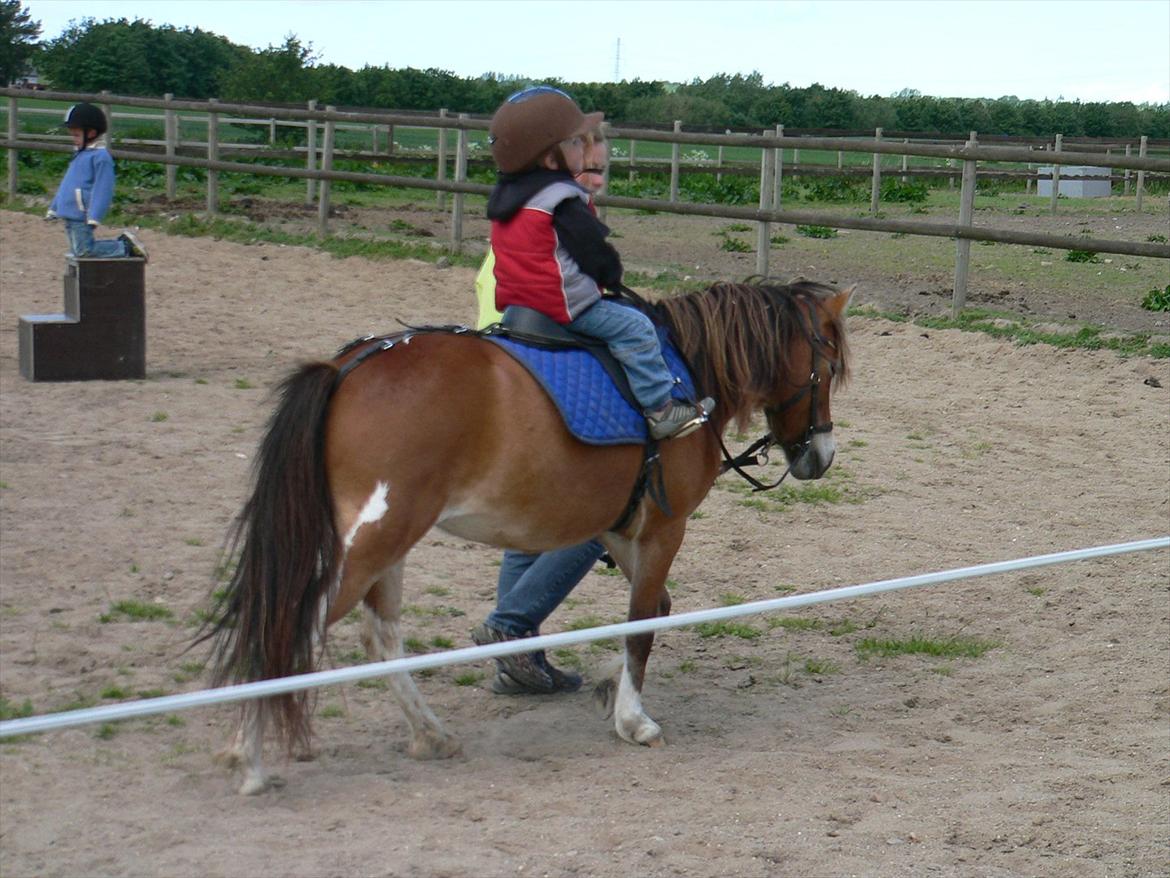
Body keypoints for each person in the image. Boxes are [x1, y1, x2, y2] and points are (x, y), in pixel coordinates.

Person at [470, 123, 616, 696]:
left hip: (520, 372)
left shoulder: (526, 230)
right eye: (587, 170)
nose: (596, 181)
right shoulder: (554, 230)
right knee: (600, 515)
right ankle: (512, 629)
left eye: (602, 170)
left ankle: (516, 656)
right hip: (541, 381)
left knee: (525, 533)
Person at [483, 85, 713, 441]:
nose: (584, 148)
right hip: (565, 305)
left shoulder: (508, 198)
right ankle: (661, 409)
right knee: (636, 328)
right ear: (549, 160)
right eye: (575, 143)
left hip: (518, 305)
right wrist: (611, 276)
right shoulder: (562, 200)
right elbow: (594, 254)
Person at [46, 103, 148, 261]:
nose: (74, 140)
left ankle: (125, 247)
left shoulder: (100, 157)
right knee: (77, 249)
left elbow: (103, 188)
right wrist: (55, 207)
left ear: (91, 133)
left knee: (84, 251)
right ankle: (123, 244)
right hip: (69, 212)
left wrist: (95, 215)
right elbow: (67, 184)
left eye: (76, 135)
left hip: (82, 213)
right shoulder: (80, 154)